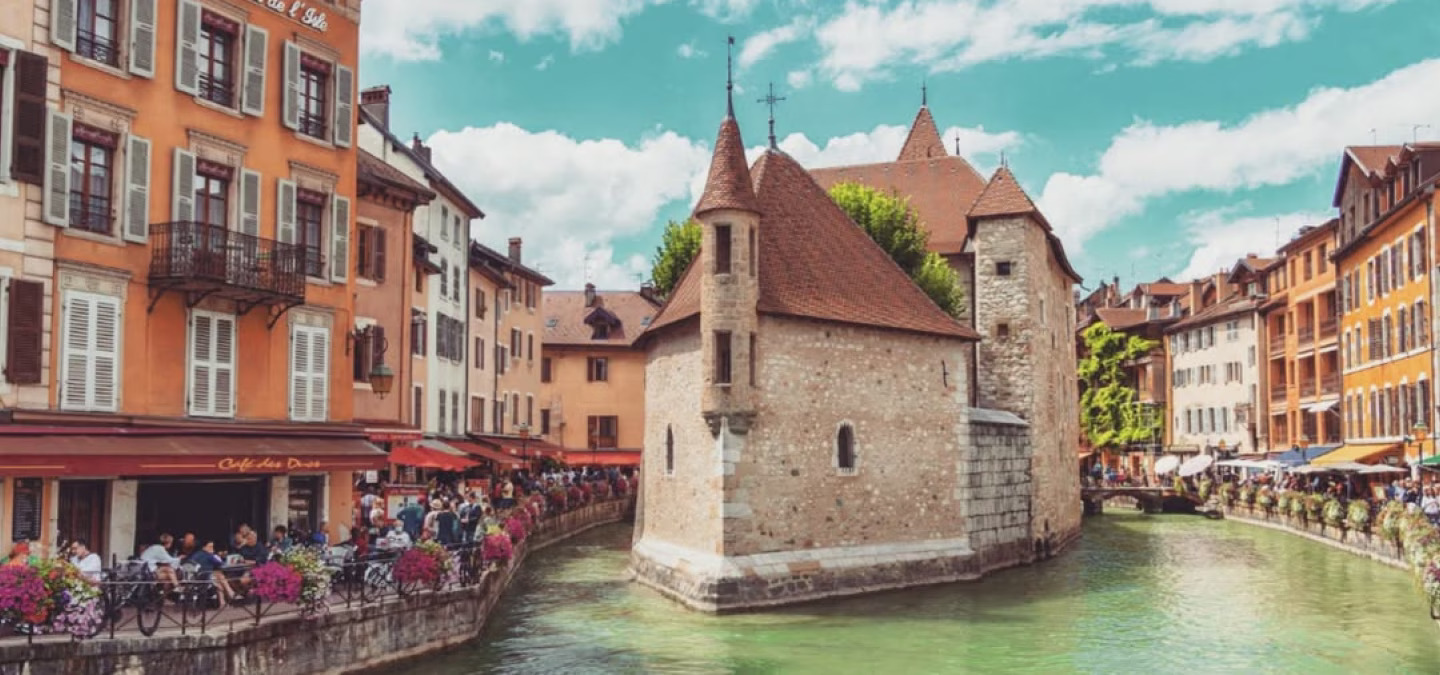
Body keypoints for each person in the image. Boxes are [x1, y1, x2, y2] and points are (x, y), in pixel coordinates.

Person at [184, 540, 234, 608]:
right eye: (210, 547)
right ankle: (230, 592)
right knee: (219, 575)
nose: (212, 548)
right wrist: (214, 554)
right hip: (204, 579)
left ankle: (223, 602)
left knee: (218, 580)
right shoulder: (210, 555)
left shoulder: (196, 554)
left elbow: (189, 564)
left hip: (194, 579)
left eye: (212, 547)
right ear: (204, 547)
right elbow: (222, 563)